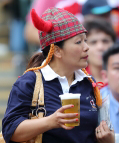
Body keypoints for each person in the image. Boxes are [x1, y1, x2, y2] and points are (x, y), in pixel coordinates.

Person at [2, 7, 102, 143]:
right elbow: (10, 131)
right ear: (57, 51)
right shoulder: (30, 82)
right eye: (79, 42)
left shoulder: (88, 82)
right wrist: (50, 121)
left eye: (85, 40)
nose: (86, 47)